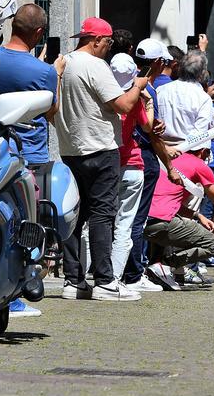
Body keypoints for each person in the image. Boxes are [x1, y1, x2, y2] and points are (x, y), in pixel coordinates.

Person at [55, 17, 155, 301]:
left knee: (74, 214)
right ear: (96, 40)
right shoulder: (95, 66)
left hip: (71, 149)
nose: (109, 48)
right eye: (108, 42)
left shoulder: (64, 63)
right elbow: (122, 105)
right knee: (103, 214)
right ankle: (105, 281)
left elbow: (54, 108)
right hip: (100, 148)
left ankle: (73, 280)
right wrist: (137, 85)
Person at [110, 53, 181, 289]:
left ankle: (101, 274)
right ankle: (126, 277)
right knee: (130, 222)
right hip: (132, 161)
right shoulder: (136, 96)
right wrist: (148, 102)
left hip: (107, 161)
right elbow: (149, 126)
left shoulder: (104, 93)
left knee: (101, 220)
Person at [122, 38, 173, 290]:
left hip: (124, 154)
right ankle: (133, 273)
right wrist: (170, 166)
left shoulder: (126, 84)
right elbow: (150, 131)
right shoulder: (147, 91)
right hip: (142, 157)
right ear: (157, 63)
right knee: (136, 218)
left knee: (122, 217)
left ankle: (123, 270)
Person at [144, 149, 214, 289]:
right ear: (204, 151)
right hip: (163, 221)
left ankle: (162, 268)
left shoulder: (166, 159)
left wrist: (197, 215)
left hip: (142, 219)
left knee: (177, 226)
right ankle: (166, 265)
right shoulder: (199, 165)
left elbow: (166, 200)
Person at [0, 4, 60, 166]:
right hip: (30, 155)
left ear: (12, 24)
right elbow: (51, 112)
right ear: (39, 32)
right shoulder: (45, 72)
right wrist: (58, 73)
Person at [156, 50, 214, 149]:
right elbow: (201, 134)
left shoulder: (161, 90)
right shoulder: (202, 98)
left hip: (162, 151)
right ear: (202, 73)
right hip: (188, 153)